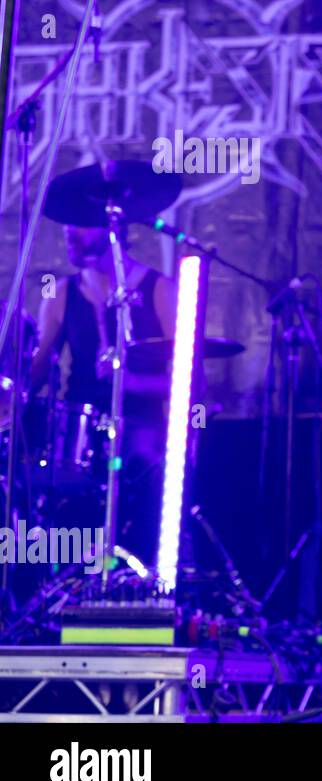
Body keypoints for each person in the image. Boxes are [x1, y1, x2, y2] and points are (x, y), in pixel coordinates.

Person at [28, 224, 177, 566]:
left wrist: (130, 382)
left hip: (143, 436)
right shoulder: (62, 293)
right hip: (78, 440)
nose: (69, 232)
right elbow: (35, 374)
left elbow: (190, 383)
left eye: (81, 223)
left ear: (112, 226)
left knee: (143, 512)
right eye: (67, 225)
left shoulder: (159, 290)